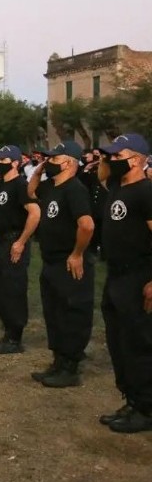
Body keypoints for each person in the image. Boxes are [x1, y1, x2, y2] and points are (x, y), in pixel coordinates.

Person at [95, 133, 152, 433]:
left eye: (118, 155)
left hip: (138, 276)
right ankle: (131, 399)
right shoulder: (116, 187)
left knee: (139, 343)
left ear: (137, 159)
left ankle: (145, 408)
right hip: (115, 275)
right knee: (119, 342)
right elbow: (103, 173)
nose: (111, 160)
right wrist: (107, 159)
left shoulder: (147, 191)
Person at [27, 141, 95, 387]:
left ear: (68, 162)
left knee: (71, 314)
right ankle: (58, 362)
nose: (48, 162)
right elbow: (31, 192)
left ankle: (70, 367)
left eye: (53, 159)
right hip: (51, 261)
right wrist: (39, 169)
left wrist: (77, 254)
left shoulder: (74, 189)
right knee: (54, 313)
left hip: (69, 261)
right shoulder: (51, 186)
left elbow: (86, 225)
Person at [0, 145, 40, 354]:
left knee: (14, 290)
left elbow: (34, 213)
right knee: (2, 290)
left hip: (14, 242)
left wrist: (22, 241)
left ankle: (15, 337)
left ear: (15, 162)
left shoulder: (21, 185)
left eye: (3, 161)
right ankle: (7, 334)